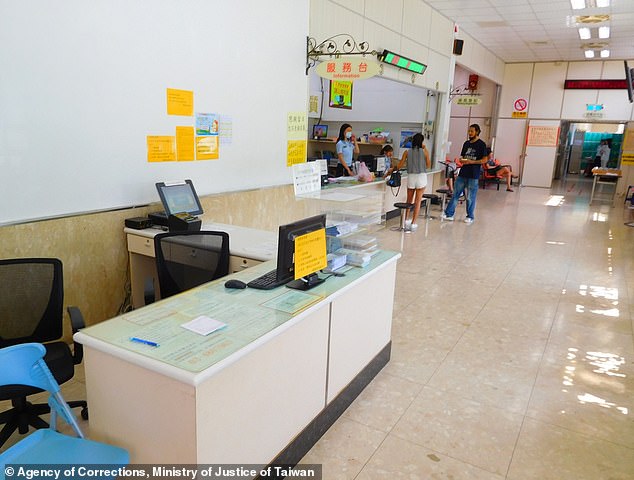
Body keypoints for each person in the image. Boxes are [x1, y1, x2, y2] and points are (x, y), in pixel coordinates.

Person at [442, 124, 488, 224]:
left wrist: (472, 162)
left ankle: (470, 216)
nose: (470, 133)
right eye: (469, 131)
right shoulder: (466, 143)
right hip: (463, 173)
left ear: (477, 132)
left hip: (473, 174)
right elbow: (462, 157)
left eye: (472, 131)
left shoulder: (481, 144)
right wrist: (462, 160)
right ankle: (449, 214)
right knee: (455, 194)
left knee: (470, 197)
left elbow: (485, 159)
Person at [391, 132, 431, 232]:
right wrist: (424, 149)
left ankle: (406, 220)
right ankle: (413, 223)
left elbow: (399, 166)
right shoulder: (425, 152)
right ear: (421, 142)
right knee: (418, 201)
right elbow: (428, 165)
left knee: (409, 200)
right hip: (421, 177)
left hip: (411, 177)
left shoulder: (407, 152)